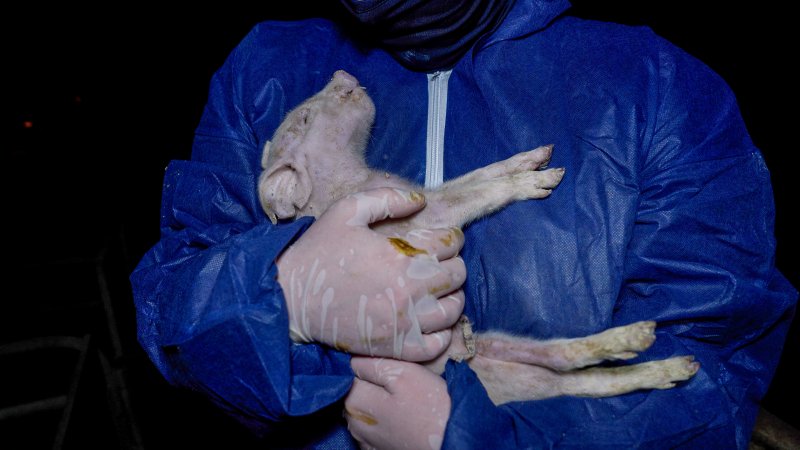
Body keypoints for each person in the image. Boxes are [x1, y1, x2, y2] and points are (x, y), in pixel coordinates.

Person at [130, 1, 798, 448]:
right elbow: (172, 311)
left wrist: (472, 436)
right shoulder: (265, 71)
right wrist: (278, 292)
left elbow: (707, 376)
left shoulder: (654, 87)